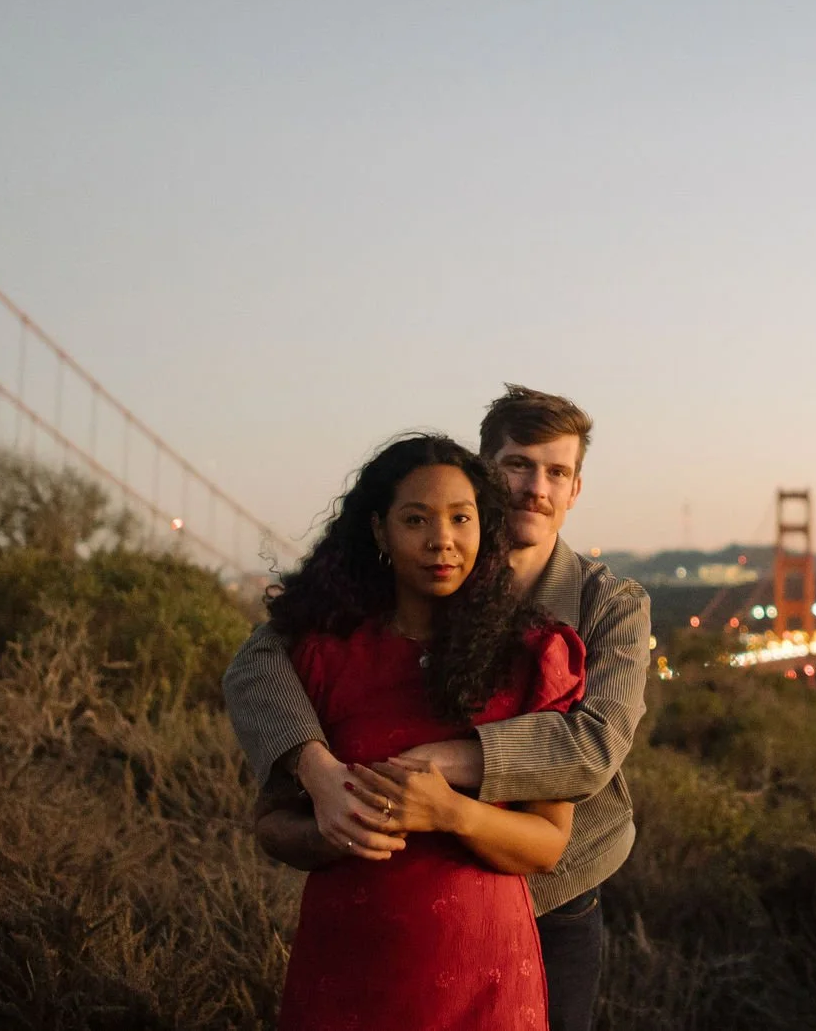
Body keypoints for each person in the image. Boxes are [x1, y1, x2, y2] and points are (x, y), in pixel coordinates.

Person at [226, 387, 651, 1031]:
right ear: (485, 471)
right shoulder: (377, 615)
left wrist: (435, 771)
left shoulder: (600, 609)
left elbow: (590, 747)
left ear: (574, 490)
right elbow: (262, 663)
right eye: (517, 465)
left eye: (557, 472)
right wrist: (319, 776)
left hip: (555, 896)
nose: (536, 487)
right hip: (379, 925)